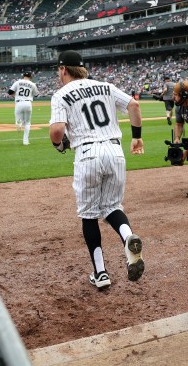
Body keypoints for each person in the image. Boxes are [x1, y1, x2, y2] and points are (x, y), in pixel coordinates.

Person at [49, 50, 145, 290]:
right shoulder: (105, 86)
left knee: (89, 214)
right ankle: (127, 238)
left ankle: (101, 273)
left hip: (87, 154)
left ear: (63, 69)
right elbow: (134, 104)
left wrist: (58, 144)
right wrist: (137, 138)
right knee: (113, 207)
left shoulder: (61, 94)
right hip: (114, 151)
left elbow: (57, 132)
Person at [8, 71, 39, 145]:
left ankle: (19, 126)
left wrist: (15, 95)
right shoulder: (32, 84)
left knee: (18, 121)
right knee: (27, 123)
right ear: (31, 77)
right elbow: (36, 95)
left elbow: (9, 92)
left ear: (23, 76)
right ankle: (25, 141)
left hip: (19, 103)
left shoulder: (18, 82)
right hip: (28, 103)